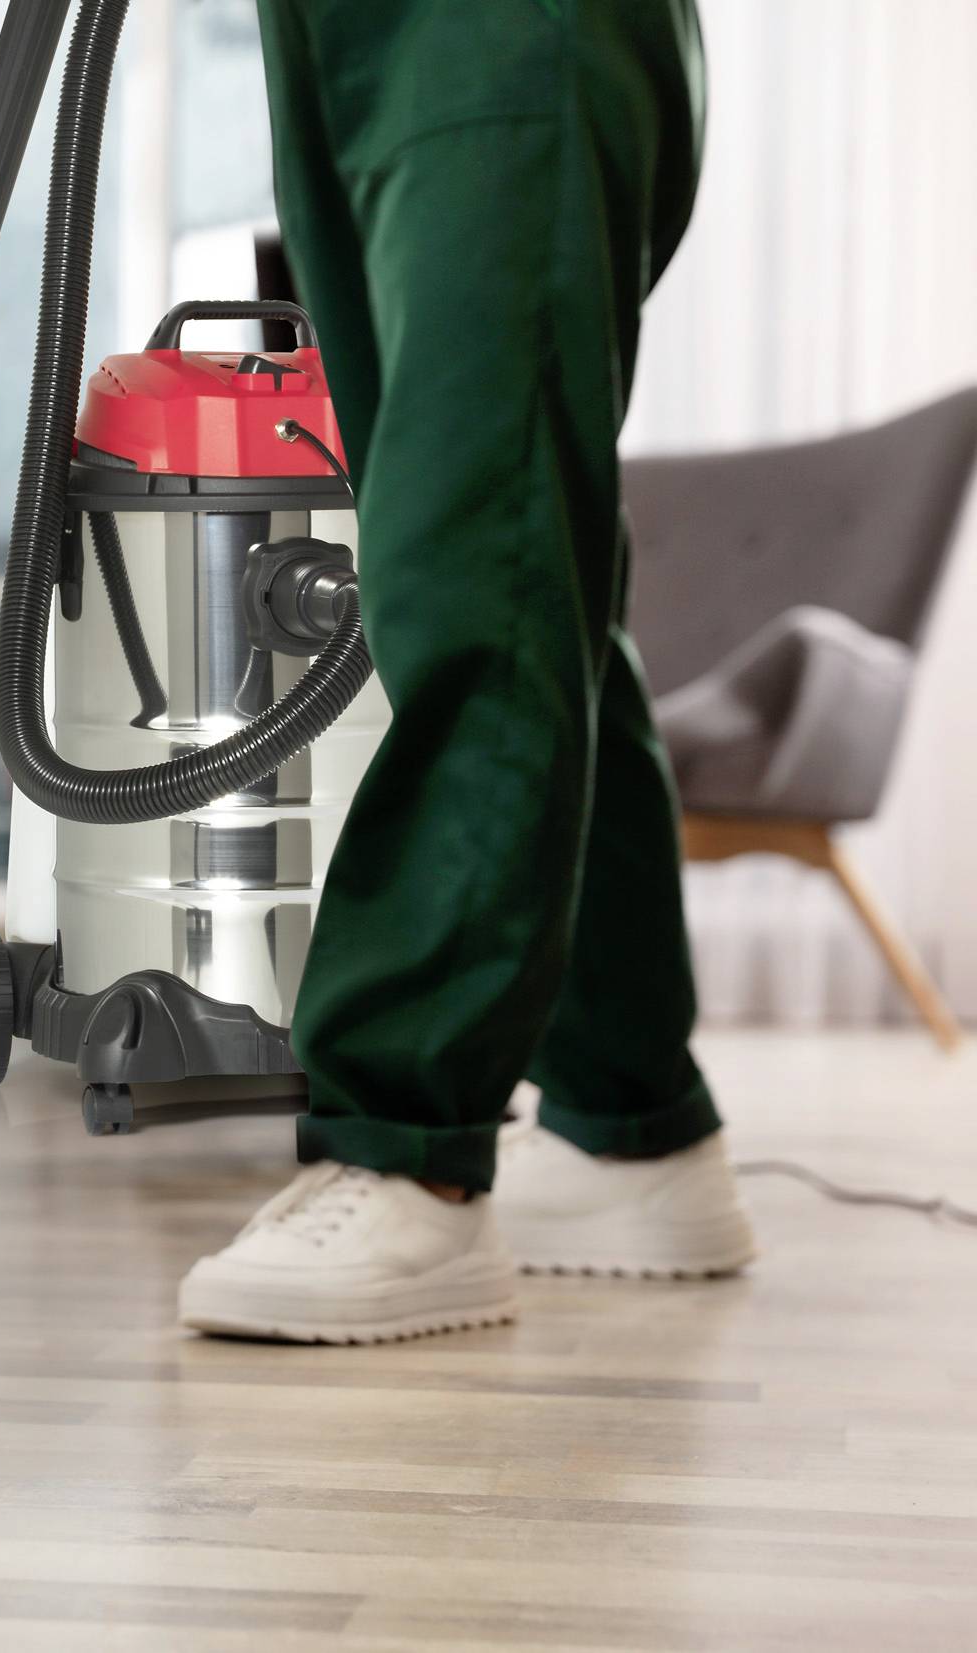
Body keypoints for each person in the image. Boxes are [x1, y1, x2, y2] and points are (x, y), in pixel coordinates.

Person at [178, 0, 757, 1342]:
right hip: (342, 34)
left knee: (476, 554)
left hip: (490, 26)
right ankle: (633, 1127)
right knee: (509, 557)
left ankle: (409, 1145)